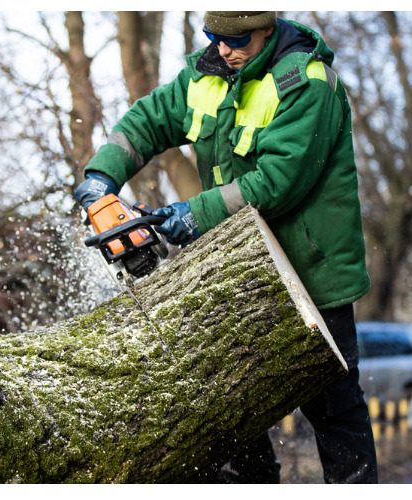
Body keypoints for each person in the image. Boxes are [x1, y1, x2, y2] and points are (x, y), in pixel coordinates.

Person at [74, 11, 377, 483]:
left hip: (312, 275)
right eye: (213, 37)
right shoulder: (207, 75)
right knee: (233, 399)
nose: (222, 49)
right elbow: (148, 120)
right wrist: (101, 177)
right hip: (240, 269)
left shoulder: (307, 82)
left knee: (335, 413)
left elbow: (278, 181)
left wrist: (195, 213)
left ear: (267, 29)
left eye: (235, 39)